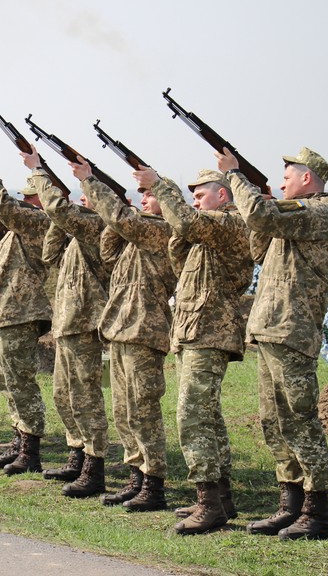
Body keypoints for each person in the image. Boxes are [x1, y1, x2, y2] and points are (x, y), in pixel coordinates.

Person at [216, 146, 328, 540]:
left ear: (307, 178)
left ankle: (317, 511)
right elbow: (259, 243)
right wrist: (260, 206)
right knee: (273, 423)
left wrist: (235, 177)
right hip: (272, 328)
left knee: (300, 420)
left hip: (293, 330)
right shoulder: (292, 217)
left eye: (287, 177)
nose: (280, 184)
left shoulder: (321, 212)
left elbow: (259, 214)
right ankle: (290, 505)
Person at [134, 168, 252, 534]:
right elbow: (181, 252)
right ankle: (221, 497)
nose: (195, 199)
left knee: (192, 415)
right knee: (208, 416)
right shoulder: (205, 234)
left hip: (212, 331)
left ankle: (208, 504)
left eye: (201, 193)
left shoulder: (231, 223)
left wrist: (160, 184)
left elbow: (185, 220)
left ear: (223, 195)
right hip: (194, 329)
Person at [72, 159, 176, 512]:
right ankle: (136, 477)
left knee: (143, 410)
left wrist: (92, 184)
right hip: (119, 329)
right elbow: (108, 248)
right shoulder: (137, 235)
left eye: (149, 194)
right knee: (124, 411)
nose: (143, 199)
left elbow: (122, 221)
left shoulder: (162, 230)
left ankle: (154, 483)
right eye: (141, 195)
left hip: (145, 331)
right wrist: (116, 217)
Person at [26, 149, 111, 497]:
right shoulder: (76, 231)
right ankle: (77, 453)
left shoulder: (99, 226)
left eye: (87, 194)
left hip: (86, 323)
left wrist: (40, 173)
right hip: (67, 323)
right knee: (64, 394)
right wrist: (58, 224)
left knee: (85, 396)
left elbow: (60, 210)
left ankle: (95, 465)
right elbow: (49, 255)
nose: (80, 199)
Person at [0, 152, 52, 476]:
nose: (27, 202)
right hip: (1, 315)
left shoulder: (40, 221)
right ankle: (19, 442)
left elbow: (5, 206)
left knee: (21, 383)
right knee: (8, 383)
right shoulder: (13, 230)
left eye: (32, 197)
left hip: (21, 314)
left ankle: (30, 449)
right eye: (25, 198)